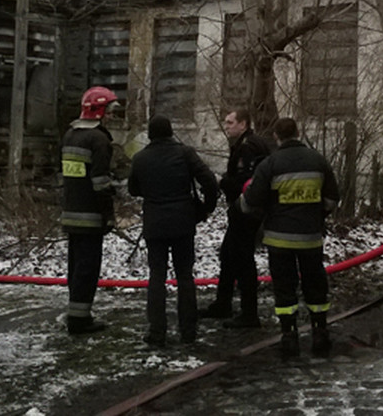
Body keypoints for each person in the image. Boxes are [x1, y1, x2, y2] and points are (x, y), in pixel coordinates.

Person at [240, 117, 339, 358]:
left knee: (285, 289)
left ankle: (289, 336)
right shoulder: (318, 160)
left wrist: (247, 204)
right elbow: (332, 199)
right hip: (310, 237)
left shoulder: (270, 164)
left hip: (279, 239)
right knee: (315, 285)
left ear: (276, 136)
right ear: (298, 132)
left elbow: (251, 201)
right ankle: (320, 331)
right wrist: (316, 215)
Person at [128, 115, 220, 346]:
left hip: (155, 224)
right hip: (183, 222)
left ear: (150, 134)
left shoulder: (140, 158)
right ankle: (188, 331)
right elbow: (209, 181)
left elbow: (133, 189)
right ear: (170, 132)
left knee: (156, 277)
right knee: (185, 276)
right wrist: (205, 209)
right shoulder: (185, 153)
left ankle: (157, 332)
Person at [200, 109, 274, 327]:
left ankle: (249, 314)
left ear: (243, 124)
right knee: (228, 256)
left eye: (231, 122)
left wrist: (220, 181)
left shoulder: (247, 148)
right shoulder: (252, 143)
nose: (227, 126)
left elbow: (245, 183)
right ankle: (223, 304)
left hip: (245, 211)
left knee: (242, 260)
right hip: (244, 210)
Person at [59, 85, 121, 335]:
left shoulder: (70, 135)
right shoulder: (99, 139)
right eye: (110, 111)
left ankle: (76, 313)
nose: (112, 117)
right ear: (99, 111)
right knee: (88, 268)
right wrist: (109, 215)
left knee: (75, 267)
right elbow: (100, 183)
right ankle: (80, 320)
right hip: (90, 216)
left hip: (71, 212)